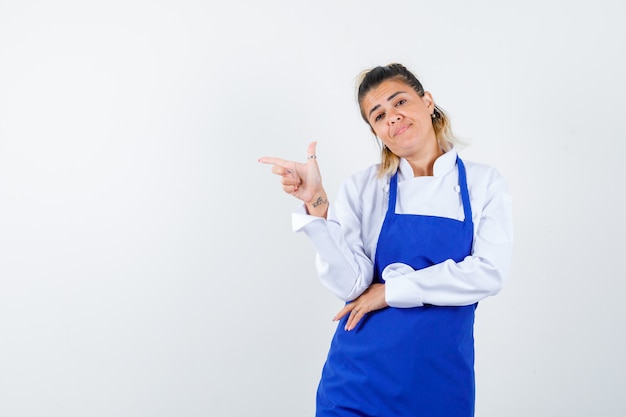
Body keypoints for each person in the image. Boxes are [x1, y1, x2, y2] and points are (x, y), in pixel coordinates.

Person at [259, 63, 513, 417]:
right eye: (378, 115)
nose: (392, 117)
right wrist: (317, 205)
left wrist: (391, 291)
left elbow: (488, 273)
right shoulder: (364, 188)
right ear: (376, 132)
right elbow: (351, 285)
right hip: (355, 385)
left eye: (400, 102)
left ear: (427, 102)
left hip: (439, 388)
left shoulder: (483, 183)